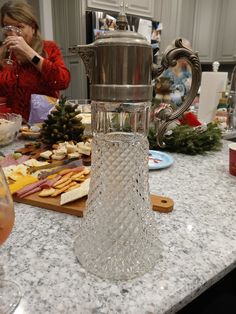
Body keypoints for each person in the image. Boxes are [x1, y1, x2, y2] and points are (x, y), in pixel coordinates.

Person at [0, 0, 70, 121]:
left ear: (33, 27)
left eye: (19, 27)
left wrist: (29, 53)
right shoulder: (3, 53)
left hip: (44, 126)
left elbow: (62, 81)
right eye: (7, 27)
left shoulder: (48, 48)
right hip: (11, 128)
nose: (12, 34)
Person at [154, 38, 192, 107]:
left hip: (184, 112)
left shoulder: (188, 72)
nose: (188, 56)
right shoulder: (166, 73)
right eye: (184, 53)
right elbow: (160, 101)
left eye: (189, 53)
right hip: (170, 113)